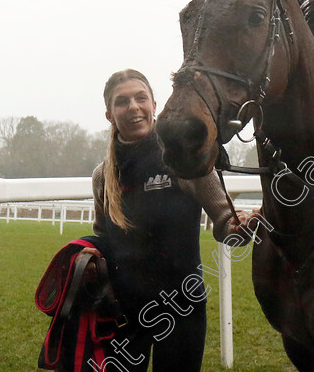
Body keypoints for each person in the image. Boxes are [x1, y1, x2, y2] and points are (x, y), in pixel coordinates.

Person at [86, 69, 254, 372]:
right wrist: (87, 253)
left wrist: (241, 226)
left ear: (154, 104)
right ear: (110, 114)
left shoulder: (183, 159)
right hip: (123, 312)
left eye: (141, 98)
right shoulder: (103, 176)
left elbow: (225, 220)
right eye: (122, 102)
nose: (133, 107)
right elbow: (102, 238)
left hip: (182, 309)